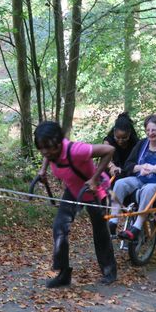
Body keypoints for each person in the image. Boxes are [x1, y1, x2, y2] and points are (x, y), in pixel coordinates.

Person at [35, 121, 117, 287]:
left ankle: (109, 270)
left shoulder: (77, 150)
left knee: (100, 231)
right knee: (60, 227)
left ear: (59, 143)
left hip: (95, 191)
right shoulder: (51, 151)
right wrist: (43, 169)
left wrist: (94, 178)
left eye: (48, 147)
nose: (45, 152)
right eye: (41, 148)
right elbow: (47, 154)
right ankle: (64, 273)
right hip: (73, 191)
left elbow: (109, 150)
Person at [108, 114, 156, 242]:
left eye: (153, 130)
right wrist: (140, 167)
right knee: (120, 183)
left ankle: (137, 227)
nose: (150, 133)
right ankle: (113, 221)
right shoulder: (141, 144)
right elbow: (128, 165)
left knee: (148, 188)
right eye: (147, 130)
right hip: (140, 179)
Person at [103, 112, 139, 178]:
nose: (120, 141)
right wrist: (112, 167)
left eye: (124, 138)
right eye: (117, 137)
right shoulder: (108, 141)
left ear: (129, 134)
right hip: (111, 173)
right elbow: (106, 159)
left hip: (128, 173)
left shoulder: (135, 142)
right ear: (114, 132)